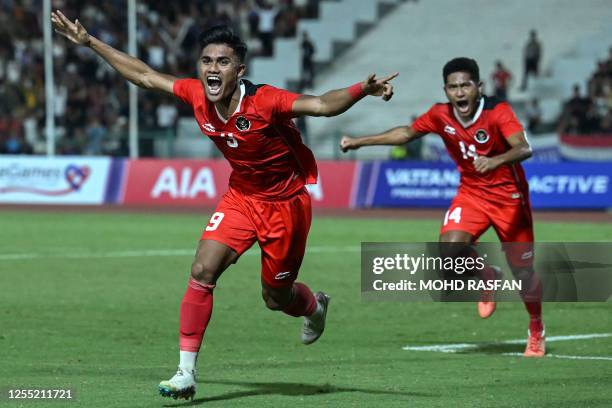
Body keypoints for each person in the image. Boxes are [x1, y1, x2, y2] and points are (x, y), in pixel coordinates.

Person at [51, 10, 397, 401]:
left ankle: (313, 307)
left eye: (222, 62)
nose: (212, 69)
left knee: (275, 298)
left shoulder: (265, 101)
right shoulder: (197, 94)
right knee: (202, 269)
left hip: (285, 206)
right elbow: (145, 76)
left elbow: (321, 105)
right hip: (240, 198)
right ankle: (185, 373)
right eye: (206, 61)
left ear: (239, 70)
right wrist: (90, 42)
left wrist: (359, 90)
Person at [340, 57, 545, 358]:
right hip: (472, 194)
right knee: (447, 253)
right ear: (445, 90)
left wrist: (496, 160)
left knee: (523, 271)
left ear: (479, 87)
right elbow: (406, 134)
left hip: (509, 200)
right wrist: (360, 142)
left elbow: (524, 147)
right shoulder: (440, 115)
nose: (460, 92)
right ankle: (487, 275)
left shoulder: (497, 111)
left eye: (466, 85)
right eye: (453, 87)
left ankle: (536, 327)